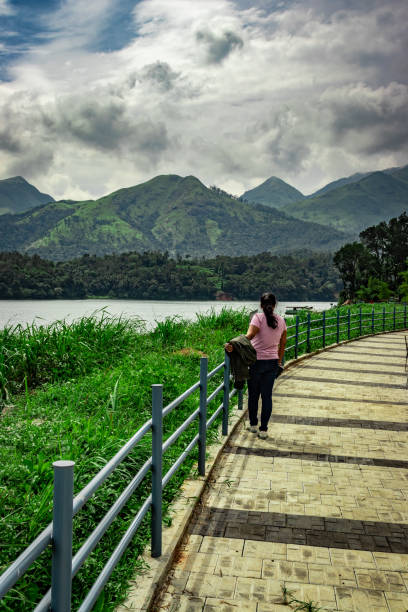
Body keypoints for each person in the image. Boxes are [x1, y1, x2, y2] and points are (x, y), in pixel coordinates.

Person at [225, 292, 287, 439]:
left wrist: (232, 345)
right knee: (267, 397)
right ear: (275, 304)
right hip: (272, 363)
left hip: (256, 362)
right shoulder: (281, 321)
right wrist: (279, 361)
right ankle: (264, 429)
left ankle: (253, 425)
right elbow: (283, 343)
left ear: (261, 305)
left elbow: (248, 337)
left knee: (253, 395)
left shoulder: (258, 318)